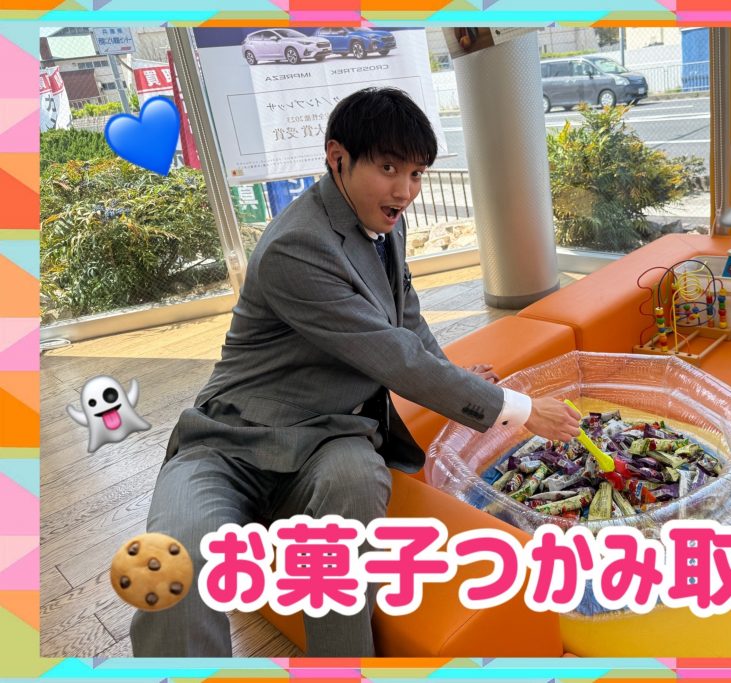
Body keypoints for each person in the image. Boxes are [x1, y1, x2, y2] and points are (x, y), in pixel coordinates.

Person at [130, 87, 580, 657]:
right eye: (388, 168)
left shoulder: (385, 224)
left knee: (359, 482)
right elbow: (389, 354)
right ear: (337, 157)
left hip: (333, 435)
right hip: (234, 441)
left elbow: (405, 321)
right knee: (170, 568)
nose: (405, 191)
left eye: (416, 174)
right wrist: (520, 410)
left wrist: (456, 376)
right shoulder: (298, 246)